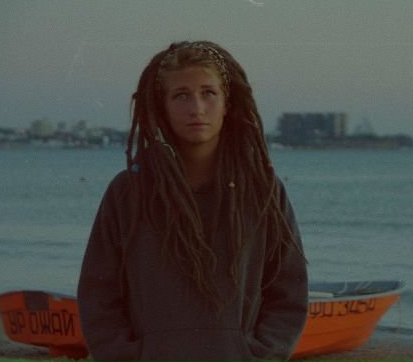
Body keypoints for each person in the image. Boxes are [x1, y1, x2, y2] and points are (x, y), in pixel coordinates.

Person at [77, 41, 308, 362]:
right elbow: (98, 295)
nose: (197, 108)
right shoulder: (128, 192)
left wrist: (257, 355)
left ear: (227, 102)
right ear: (162, 106)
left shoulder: (262, 191)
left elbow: (288, 294)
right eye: (181, 95)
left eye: (208, 93)